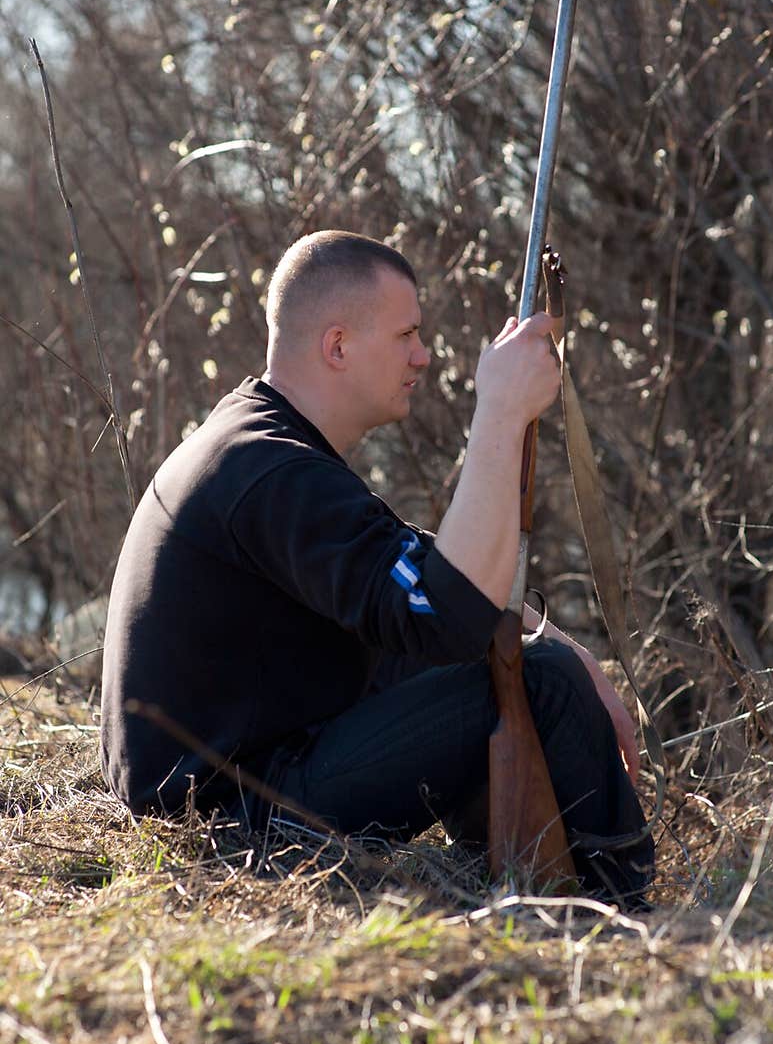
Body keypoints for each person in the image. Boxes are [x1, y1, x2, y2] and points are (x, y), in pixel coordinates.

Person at [100, 230, 654, 903]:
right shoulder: (272, 472)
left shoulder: (258, 443)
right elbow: (440, 616)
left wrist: (544, 631)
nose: (423, 357)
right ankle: (623, 917)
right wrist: (501, 416)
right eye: (406, 335)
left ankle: (530, 884)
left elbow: (409, 571)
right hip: (231, 827)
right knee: (545, 685)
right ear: (338, 345)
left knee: (526, 660)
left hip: (238, 793)